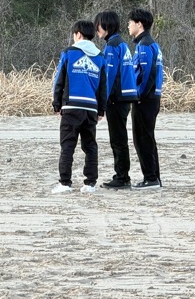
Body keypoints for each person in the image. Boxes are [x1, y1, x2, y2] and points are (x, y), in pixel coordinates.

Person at [50, 20, 107, 195]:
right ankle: (90, 184)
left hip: (72, 106)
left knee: (68, 144)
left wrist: (57, 103)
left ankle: (65, 183)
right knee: (90, 146)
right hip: (91, 108)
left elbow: (59, 80)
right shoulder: (100, 57)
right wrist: (101, 110)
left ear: (78, 35)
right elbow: (104, 86)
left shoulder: (69, 53)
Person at [94, 10, 138, 189]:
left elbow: (108, 76)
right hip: (125, 97)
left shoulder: (112, 46)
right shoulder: (122, 43)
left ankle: (122, 177)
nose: (97, 29)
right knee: (121, 137)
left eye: (98, 25)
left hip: (116, 99)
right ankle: (122, 175)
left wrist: (101, 102)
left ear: (106, 25)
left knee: (118, 139)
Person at [128, 8, 164, 189]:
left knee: (142, 139)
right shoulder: (151, 44)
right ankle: (154, 177)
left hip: (146, 99)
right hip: (152, 97)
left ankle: (150, 178)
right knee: (147, 138)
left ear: (139, 24)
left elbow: (149, 72)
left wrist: (140, 95)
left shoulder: (145, 45)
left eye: (130, 22)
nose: (128, 26)